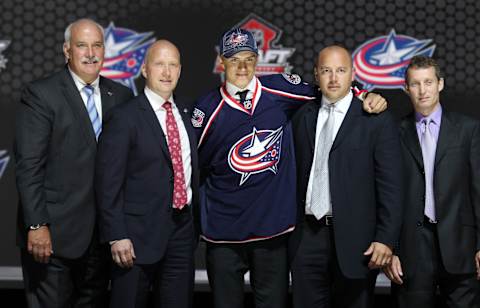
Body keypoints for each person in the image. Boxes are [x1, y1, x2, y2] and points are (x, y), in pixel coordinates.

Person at [192, 29, 386, 308]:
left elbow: (328, 88)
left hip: (272, 233)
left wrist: (363, 93)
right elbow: (191, 167)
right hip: (224, 235)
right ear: (222, 62)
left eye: (249, 58)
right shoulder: (205, 110)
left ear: (258, 60)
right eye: (234, 60)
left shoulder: (280, 89)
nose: (243, 67)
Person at [14, 18, 133, 308]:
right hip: (54, 237)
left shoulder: (121, 96)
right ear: (67, 50)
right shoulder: (42, 94)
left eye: (97, 45)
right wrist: (37, 224)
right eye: (82, 45)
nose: (90, 53)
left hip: (101, 241)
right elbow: (29, 165)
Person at [289, 45, 403, 308]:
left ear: (353, 74)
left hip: (356, 242)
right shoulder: (301, 117)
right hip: (307, 238)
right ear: (316, 75)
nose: (333, 78)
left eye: (341, 70)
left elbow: (391, 186)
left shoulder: (375, 119)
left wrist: (386, 238)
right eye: (326, 70)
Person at [95, 40, 199, 308]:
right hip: (135, 238)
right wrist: (117, 234)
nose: (167, 72)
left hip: (181, 233)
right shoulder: (125, 117)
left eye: (173, 65)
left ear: (180, 70)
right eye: (159, 64)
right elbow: (108, 183)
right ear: (144, 69)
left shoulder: (187, 113)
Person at [383, 55, 480, 307]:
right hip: (412, 249)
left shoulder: (468, 130)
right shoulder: (393, 132)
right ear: (406, 89)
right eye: (415, 84)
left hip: (461, 246)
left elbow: (478, 191)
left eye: (428, 82)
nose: (422, 90)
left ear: (440, 84)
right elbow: (387, 195)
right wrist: (390, 248)